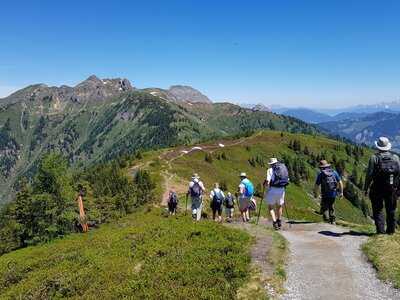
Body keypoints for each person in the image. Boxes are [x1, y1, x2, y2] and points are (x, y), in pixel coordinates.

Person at [364, 137, 400, 234]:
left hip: (377, 188)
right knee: (391, 210)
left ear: (378, 147)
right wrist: (399, 189)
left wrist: (365, 188)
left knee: (378, 209)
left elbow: (369, 175)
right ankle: (391, 232)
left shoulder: (374, 158)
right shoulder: (395, 157)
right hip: (391, 188)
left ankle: (380, 231)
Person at [313, 160, 344, 225]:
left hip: (325, 194)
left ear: (321, 167)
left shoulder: (321, 174)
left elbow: (316, 185)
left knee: (325, 208)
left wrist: (315, 193)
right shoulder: (334, 172)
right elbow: (340, 182)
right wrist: (341, 192)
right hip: (333, 194)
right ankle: (333, 220)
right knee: (331, 206)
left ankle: (326, 221)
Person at [264, 158, 289, 229]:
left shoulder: (270, 170)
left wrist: (265, 185)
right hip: (281, 190)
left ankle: (274, 222)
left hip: (273, 190)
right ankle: (279, 221)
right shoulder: (283, 168)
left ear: (271, 164)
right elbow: (287, 179)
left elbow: (268, 182)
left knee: (271, 207)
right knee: (279, 206)